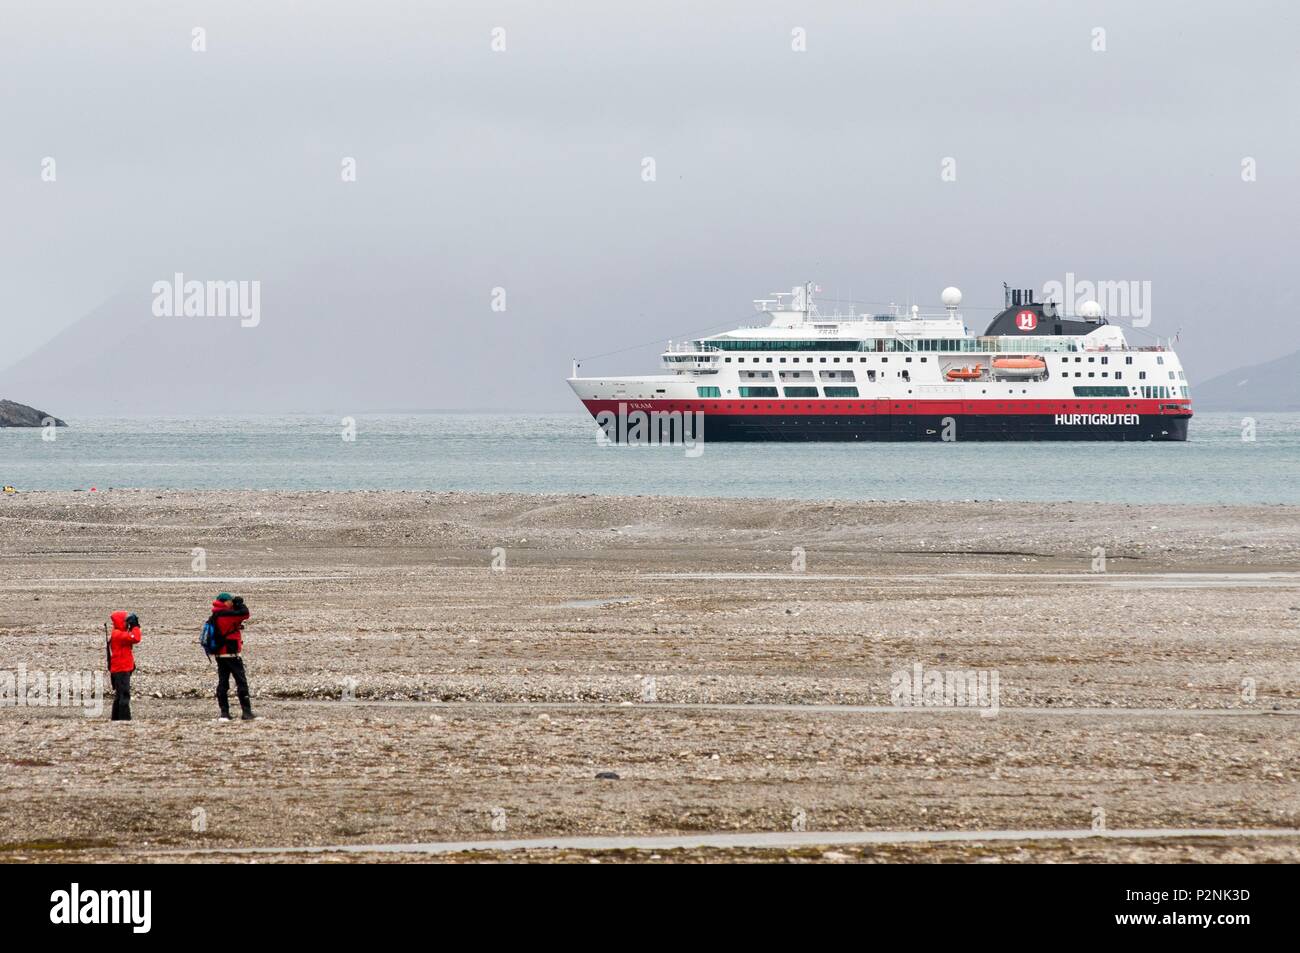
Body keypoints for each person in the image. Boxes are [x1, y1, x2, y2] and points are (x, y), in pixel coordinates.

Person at [208, 592, 254, 721]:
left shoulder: (215, 613)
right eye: (230, 601)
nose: (232, 603)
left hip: (219, 654)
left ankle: (224, 713)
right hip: (231, 653)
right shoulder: (227, 614)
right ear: (225, 602)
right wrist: (240, 603)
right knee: (241, 682)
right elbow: (245, 613)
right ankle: (247, 713)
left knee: (223, 682)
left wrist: (235, 605)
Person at [108, 611, 141, 721]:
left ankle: (116, 719)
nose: (127, 623)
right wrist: (135, 626)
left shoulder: (116, 633)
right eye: (126, 621)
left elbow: (131, 637)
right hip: (121, 669)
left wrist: (132, 627)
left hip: (119, 669)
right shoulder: (118, 634)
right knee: (124, 696)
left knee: (119, 696)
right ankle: (124, 719)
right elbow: (136, 638)